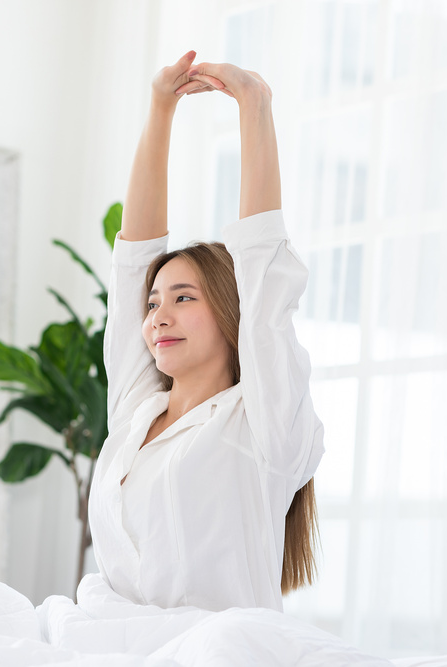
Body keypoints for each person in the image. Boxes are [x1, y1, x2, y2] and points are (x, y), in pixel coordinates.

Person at [86, 49, 324, 613]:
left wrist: (253, 104)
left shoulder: (264, 425)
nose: (157, 317)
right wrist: (159, 108)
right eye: (154, 303)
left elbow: (265, 278)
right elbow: (131, 262)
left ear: (227, 309)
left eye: (183, 298)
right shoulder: (135, 412)